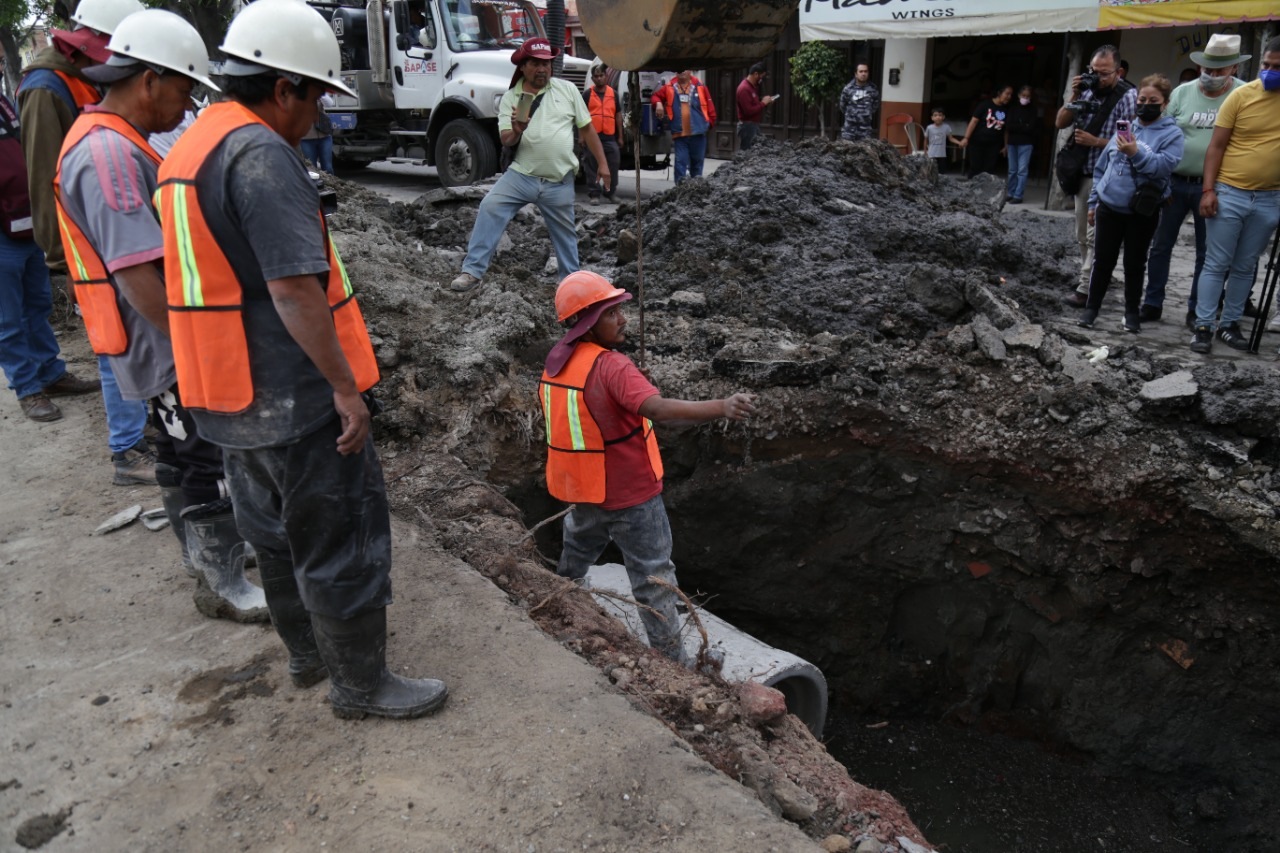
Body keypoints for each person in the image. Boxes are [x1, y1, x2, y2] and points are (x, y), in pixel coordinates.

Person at [157, 0, 448, 718]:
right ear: (282, 87)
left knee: (273, 536)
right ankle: (360, 685)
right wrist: (346, 391)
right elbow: (293, 289)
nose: (319, 115)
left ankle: (308, 658)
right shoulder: (261, 157)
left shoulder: (189, 148)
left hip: (226, 393)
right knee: (338, 538)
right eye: (316, 95)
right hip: (291, 395)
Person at [54, 9, 268, 623]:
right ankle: (221, 580)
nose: (183, 108)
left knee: (178, 449)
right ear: (149, 79)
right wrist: (196, 349)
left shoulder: (112, 142)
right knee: (200, 453)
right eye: (181, 90)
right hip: (160, 338)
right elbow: (137, 273)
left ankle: (204, 557)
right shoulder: (109, 157)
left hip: (148, 336)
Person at [539, 271, 756, 664]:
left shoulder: (558, 363)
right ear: (588, 321)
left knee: (578, 544)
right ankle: (674, 661)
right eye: (611, 313)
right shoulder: (612, 367)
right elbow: (657, 410)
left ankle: (564, 595)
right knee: (653, 579)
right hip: (632, 495)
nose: (622, 319)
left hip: (585, 488)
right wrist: (721, 407)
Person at [18, 0, 155, 484]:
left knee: (130, 338)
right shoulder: (45, 87)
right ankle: (128, 449)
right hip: (88, 243)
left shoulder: (78, 78)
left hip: (106, 229)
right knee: (114, 339)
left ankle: (139, 434)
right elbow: (44, 177)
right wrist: (62, 261)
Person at [448, 37, 609, 293]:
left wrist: (603, 164)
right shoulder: (512, 97)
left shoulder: (567, 90)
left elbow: (587, 129)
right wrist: (517, 130)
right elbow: (506, 139)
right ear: (523, 66)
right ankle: (472, 272)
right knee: (490, 206)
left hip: (558, 181)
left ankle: (571, 288)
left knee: (566, 238)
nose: (542, 68)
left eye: (546, 63)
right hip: (521, 176)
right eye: (535, 63)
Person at [1, 93, 98, 423]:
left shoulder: (5, 104)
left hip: (27, 222)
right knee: (8, 319)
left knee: (38, 305)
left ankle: (51, 374)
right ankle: (28, 389)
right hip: (2, 234)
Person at [1140, 34, 1248, 325]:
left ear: (1234, 69)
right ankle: (1152, 302)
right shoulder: (1183, 93)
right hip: (1174, 180)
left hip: (1215, 187)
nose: (1211, 75)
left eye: (1219, 70)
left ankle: (1197, 308)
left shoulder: (1243, 95)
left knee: (1207, 252)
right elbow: (1163, 133)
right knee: (1161, 245)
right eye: (1208, 69)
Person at [1189, 35, 1280, 354]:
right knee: (1216, 263)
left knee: (1246, 265)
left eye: (1276, 67)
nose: (1268, 71)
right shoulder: (1241, 96)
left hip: (1271, 199)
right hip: (1229, 192)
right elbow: (1215, 147)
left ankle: (1228, 324)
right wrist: (1208, 190)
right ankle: (1202, 325)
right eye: (1265, 65)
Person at [1077, 74, 1182, 334]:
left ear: (1165, 103)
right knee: (1103, 261)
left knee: (1135, 264)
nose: (1145, 104)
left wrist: (1135, 153)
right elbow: (1103, 168)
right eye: (1142, 99)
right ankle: (1092, 308)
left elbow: (1162, 168)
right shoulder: (1126, 127)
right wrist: (1093, 203)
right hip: (1109, 207)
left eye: (1153, 100)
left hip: (1141, 211)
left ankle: (1131, 312)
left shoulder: (1173, 134)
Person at [1055, 46, 1137, 309]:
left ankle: (1086, 287)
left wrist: (1097, 141)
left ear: (1119, 72)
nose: (1098, 78)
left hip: (1110, 175)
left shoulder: (1128, 97)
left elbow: (1130, 142)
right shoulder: (1087, 91)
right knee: (1082, 234)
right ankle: (1092, 279)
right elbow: (1060, 122)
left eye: (1104, 73)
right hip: (1083, 173)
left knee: (1095, 235)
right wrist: (1075, 94)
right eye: (1093, 71)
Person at [652, 70, 717, 184]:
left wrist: (707, 124)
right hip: (680, 135)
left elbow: (710, 107)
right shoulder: (670, 87)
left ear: (690, 71)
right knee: (680, 164)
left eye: (684, 69)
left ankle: (696, 191)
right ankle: (680, 192)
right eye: (679, 70)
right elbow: (655, 96)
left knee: (697, 165)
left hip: (698, 134)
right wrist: (658, 103)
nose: (681, 72)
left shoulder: (700, 86)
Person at [582, 63, 620, 204]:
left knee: (614, 164)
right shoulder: (587, 94)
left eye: (601, 76)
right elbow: (581, 117)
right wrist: (582, 137)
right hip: (593, 136)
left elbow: (618, 115)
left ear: (606, 76)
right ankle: (594, 194)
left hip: (610, 137)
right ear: (592, 78)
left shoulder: (613, 94)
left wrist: (620, 137)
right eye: (596, 76)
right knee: (591, 165)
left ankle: (610, 192)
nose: (599, 78)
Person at [960, 84, 1012, 178]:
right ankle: (971, 190)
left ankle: (985, 191)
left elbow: (1006, 129)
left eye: (1010, 95)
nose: (1009, 97)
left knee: (989, 169)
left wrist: (1005, 145)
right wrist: (966, 138)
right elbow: (974, 121)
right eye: (1007, 94)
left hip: (994, 144)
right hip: (977, 142)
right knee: (975, 167)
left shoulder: (1006, 110)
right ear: (999, 93)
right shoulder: (984, 105)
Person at [1004, 85, 1038, 203]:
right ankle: (1010, 192)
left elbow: (1031, 127)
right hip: (1012, 142)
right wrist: (1023, 126)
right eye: (1023, 96)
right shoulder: (1013, 108)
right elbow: (1008, 125)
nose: (1025, 98)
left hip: (1026, 143)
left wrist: (1018, 126)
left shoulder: (1033, 110)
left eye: (1028, 96)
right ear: (1019, 95)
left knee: (1022, 170)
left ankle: (1018, 195)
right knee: (1012, 170)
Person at [736, 61, 776, 152]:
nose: (761, 80)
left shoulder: (751, 87)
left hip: (752, 125)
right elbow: (748, 111)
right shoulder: (744, 89)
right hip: (747, 127)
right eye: (761, 77)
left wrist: (765, 101)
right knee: (747, 154)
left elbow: (753, 104)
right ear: (756, 74)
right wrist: (763, 103)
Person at [838, 61, 879, 142]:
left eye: (865, 71)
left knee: (864, 153)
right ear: (856, 74)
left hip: (865, 131)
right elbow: (842, 106)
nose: (863, 74)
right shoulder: (848, 89)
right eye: (861, 71)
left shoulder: (873, 89)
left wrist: (866, 114)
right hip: (849, 130)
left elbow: (875, 106)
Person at [301, 92, 335, 174]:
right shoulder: (297, 94)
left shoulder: (318, 92)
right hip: (306, 139)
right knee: (312, 168)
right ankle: (314, 186)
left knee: (328, 168)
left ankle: (329, 186)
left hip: (324, 136)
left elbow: (329, 104)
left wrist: (320, 93)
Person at [923, 108, 961, 174]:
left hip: (942, 154)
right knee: (931, 172)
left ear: (943, 117)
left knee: (941, 172)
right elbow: (926, 140)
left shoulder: (946, 127)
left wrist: (959, 142)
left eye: (940, 115)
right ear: (932, 118)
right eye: (935, 115)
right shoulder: (929, 128)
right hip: (931, 154)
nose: (938, 117)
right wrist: (925, 151)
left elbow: (951, 138)